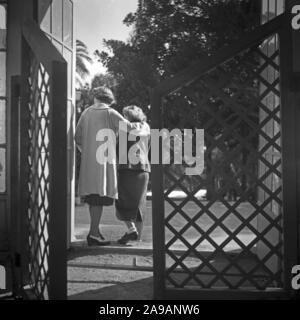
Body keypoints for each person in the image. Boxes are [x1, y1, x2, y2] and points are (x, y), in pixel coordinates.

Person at [75, 87, 142, 246]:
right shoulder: (110, 113)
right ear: (109, 99)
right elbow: (130, 128)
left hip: (90, 163)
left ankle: (94, 233)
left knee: (94, 198)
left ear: (95, 98)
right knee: (100, 197)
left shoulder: (86, 113)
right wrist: (142, 123)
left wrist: (87, 151)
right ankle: (94, 234)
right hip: (105, 162)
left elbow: (77, 137)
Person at [115, 105, 151, 245]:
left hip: (127, 168)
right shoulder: (146, 127)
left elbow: (118, 148)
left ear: (128, 116)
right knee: (139, 205)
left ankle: (131, 230)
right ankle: (138, 238)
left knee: (120, 201)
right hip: (143, 169)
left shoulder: (124, 127)